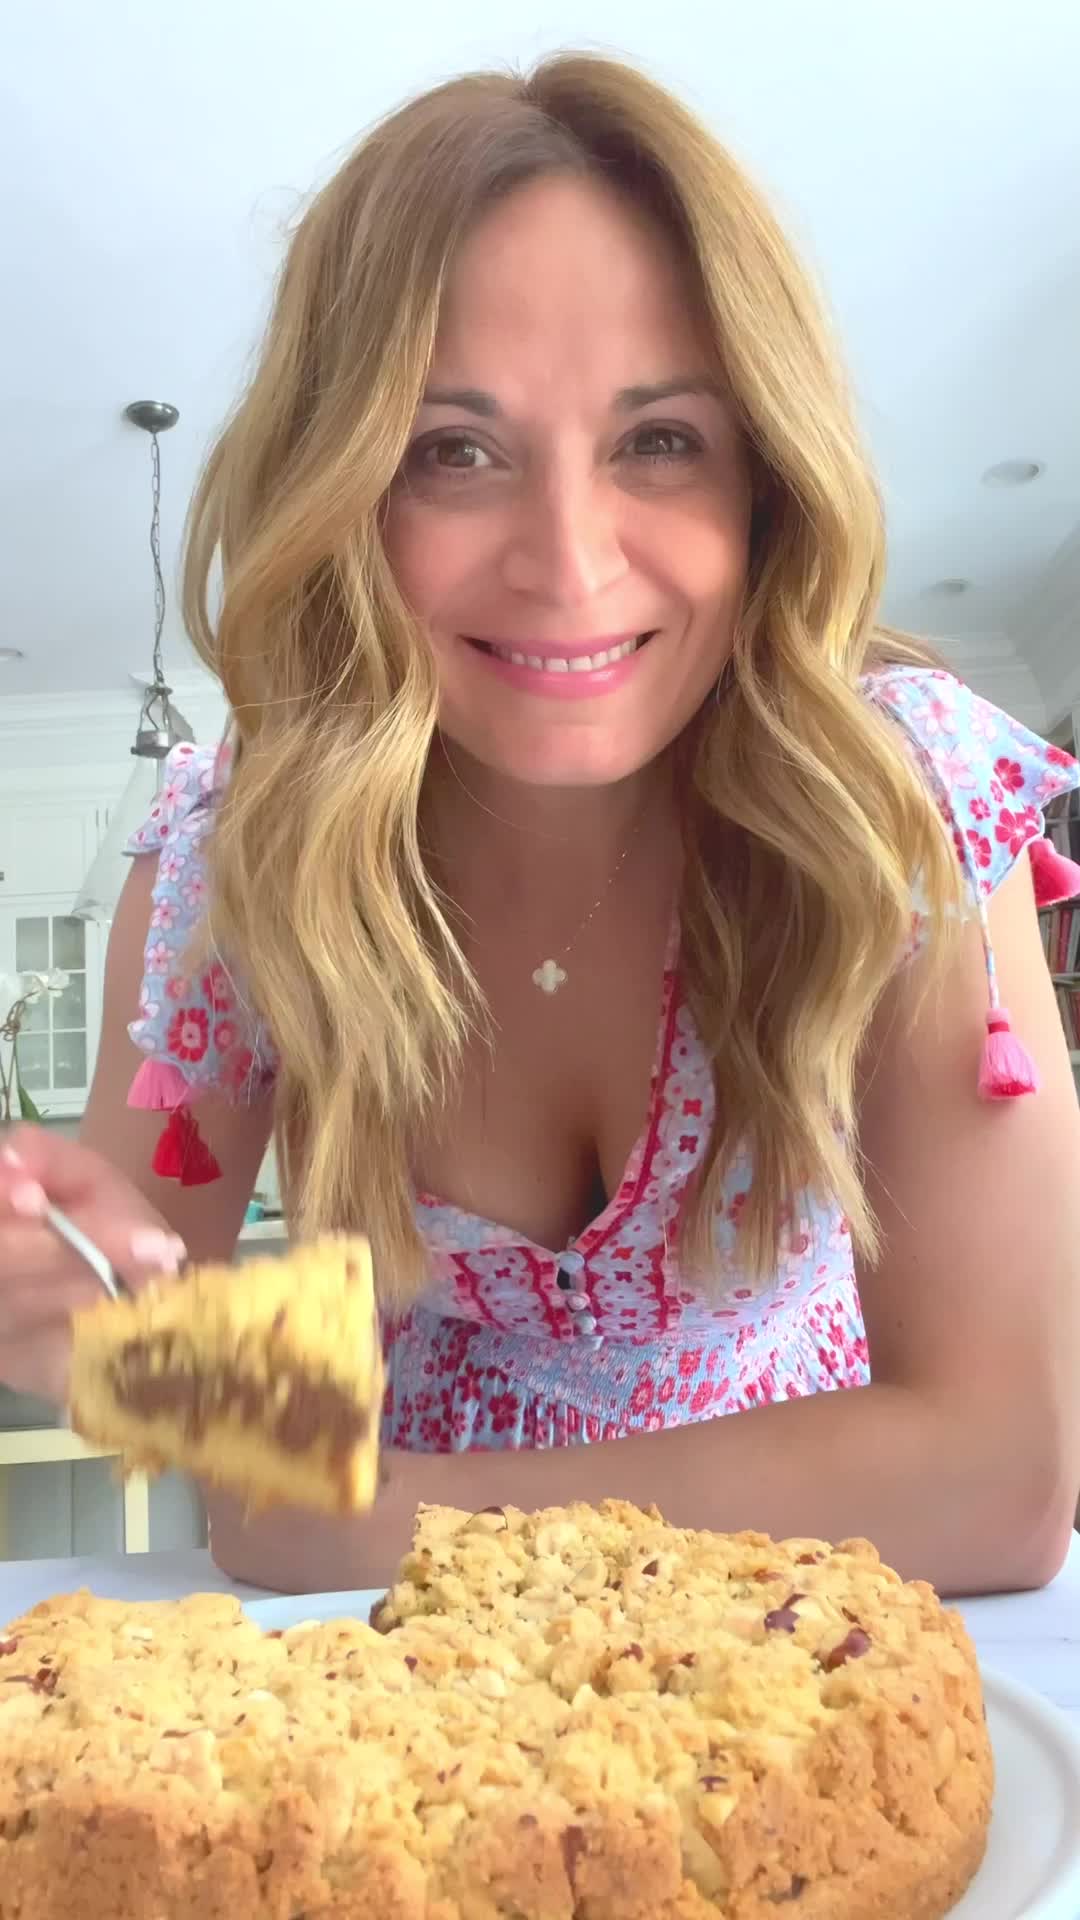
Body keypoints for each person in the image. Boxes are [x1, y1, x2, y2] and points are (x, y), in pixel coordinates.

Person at [2, 53, 1079, 1599]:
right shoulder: (243, 859)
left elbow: (999, 1477)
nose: (569, 567)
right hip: (407, 1669)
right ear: (347, 491)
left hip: (806, 1647)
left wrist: (384, 1512)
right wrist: (75, 1316)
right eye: (455, 451)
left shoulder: (893, 813)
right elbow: (157, 1356)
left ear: (764, 478)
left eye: (660, 440)